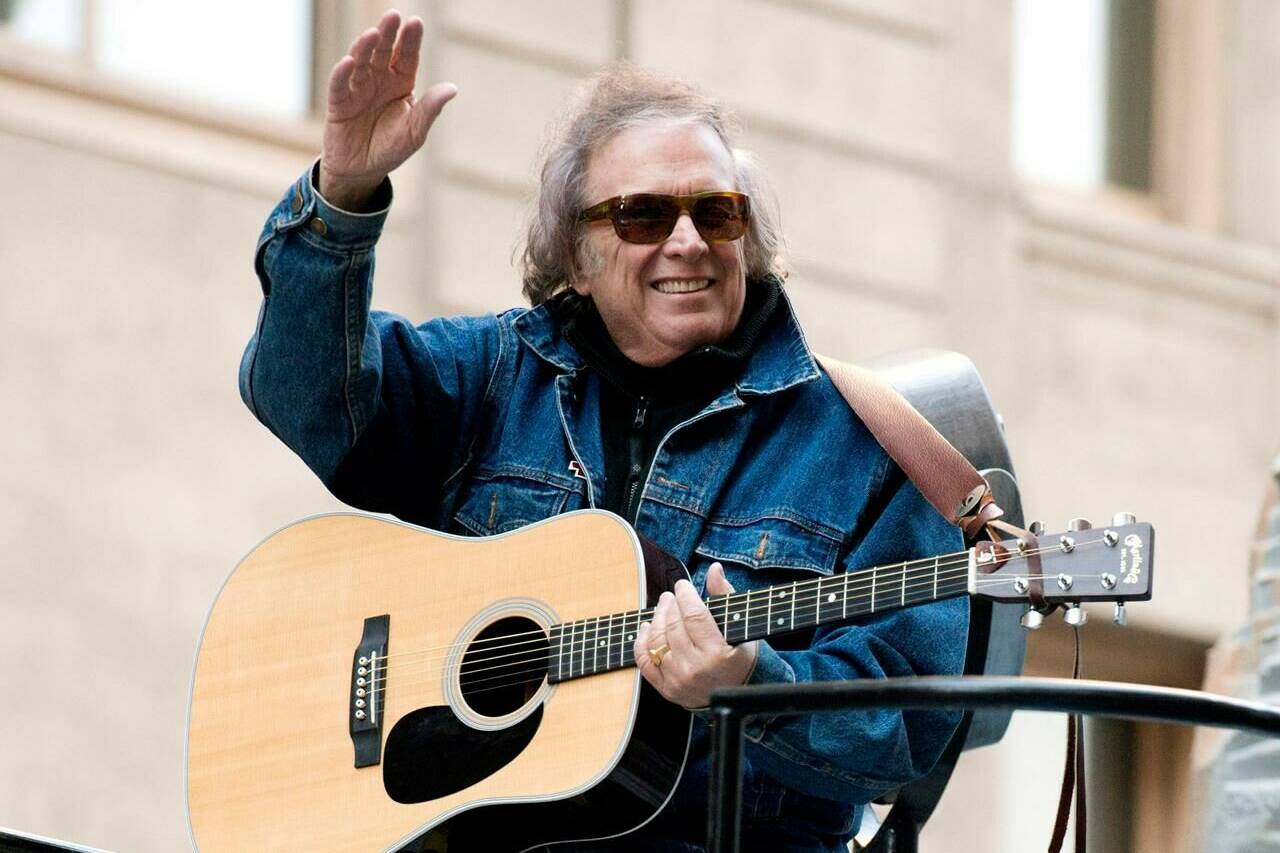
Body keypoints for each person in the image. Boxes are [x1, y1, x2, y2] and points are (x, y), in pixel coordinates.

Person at [239, 9, 969, 852]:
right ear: (575, 254)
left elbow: (912, 724)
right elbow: (306, 397)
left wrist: (751, 684)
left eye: (717, 212)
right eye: (643, 216)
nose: (688, 240)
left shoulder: (864, 445)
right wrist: (343, 194)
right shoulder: (492, 377)